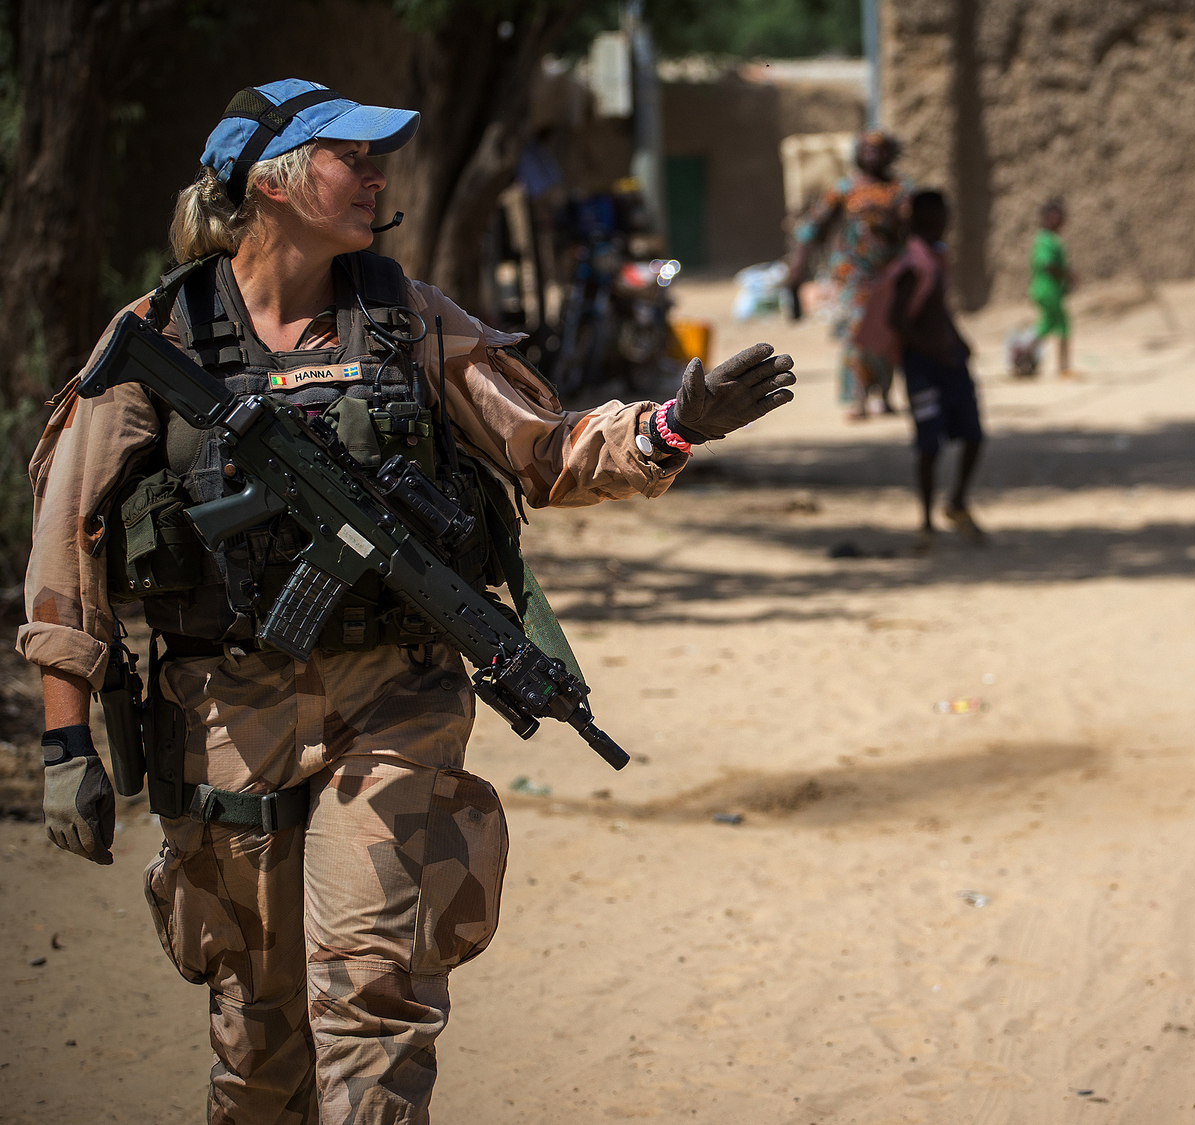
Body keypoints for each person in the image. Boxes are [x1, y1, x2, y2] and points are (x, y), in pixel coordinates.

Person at [24, 80, 795, 1123]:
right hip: (222, 713)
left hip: (392, 704)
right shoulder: (158, 336)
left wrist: (671, 424)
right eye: (353, 156)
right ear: (274, 183)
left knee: (375, 1007)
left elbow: (547, 448)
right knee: (256, 1041)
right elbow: (69, 539)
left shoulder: (404, 318)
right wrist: (66, 744)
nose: (378, 175)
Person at [785, 129, 912, 420]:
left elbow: (911, 230)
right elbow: (812, 228)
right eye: (867, 149)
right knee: (856, 334)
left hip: (889, 273)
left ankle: (884, 394)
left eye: (879, 150)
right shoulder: (845, 188)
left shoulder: (900, 190)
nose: (873, 156)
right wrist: (797, 268)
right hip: (853, 274)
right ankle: (858, 398)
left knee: (885, 332)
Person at [884, 189, 985, 554]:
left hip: (948, 361)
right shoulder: (911, 263)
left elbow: (938, 309)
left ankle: (956, 502)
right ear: (924, 219)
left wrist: (959, 341)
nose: (946, 222)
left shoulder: (935, 258)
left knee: (973, 434)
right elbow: (897, 320)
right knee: (929, 445)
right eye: (940, 216)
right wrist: (934, 351)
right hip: (924, 366)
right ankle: (926, 523)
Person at [1029, 197, 1074, 379]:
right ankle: (1063, 367)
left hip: (1052, 290)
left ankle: (1024, 354)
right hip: (1047, 289)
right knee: (1063, 325)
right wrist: (1067, 274)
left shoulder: (1052, 240)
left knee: (1047, 325)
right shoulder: (1044, 240)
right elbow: (1047, 264)